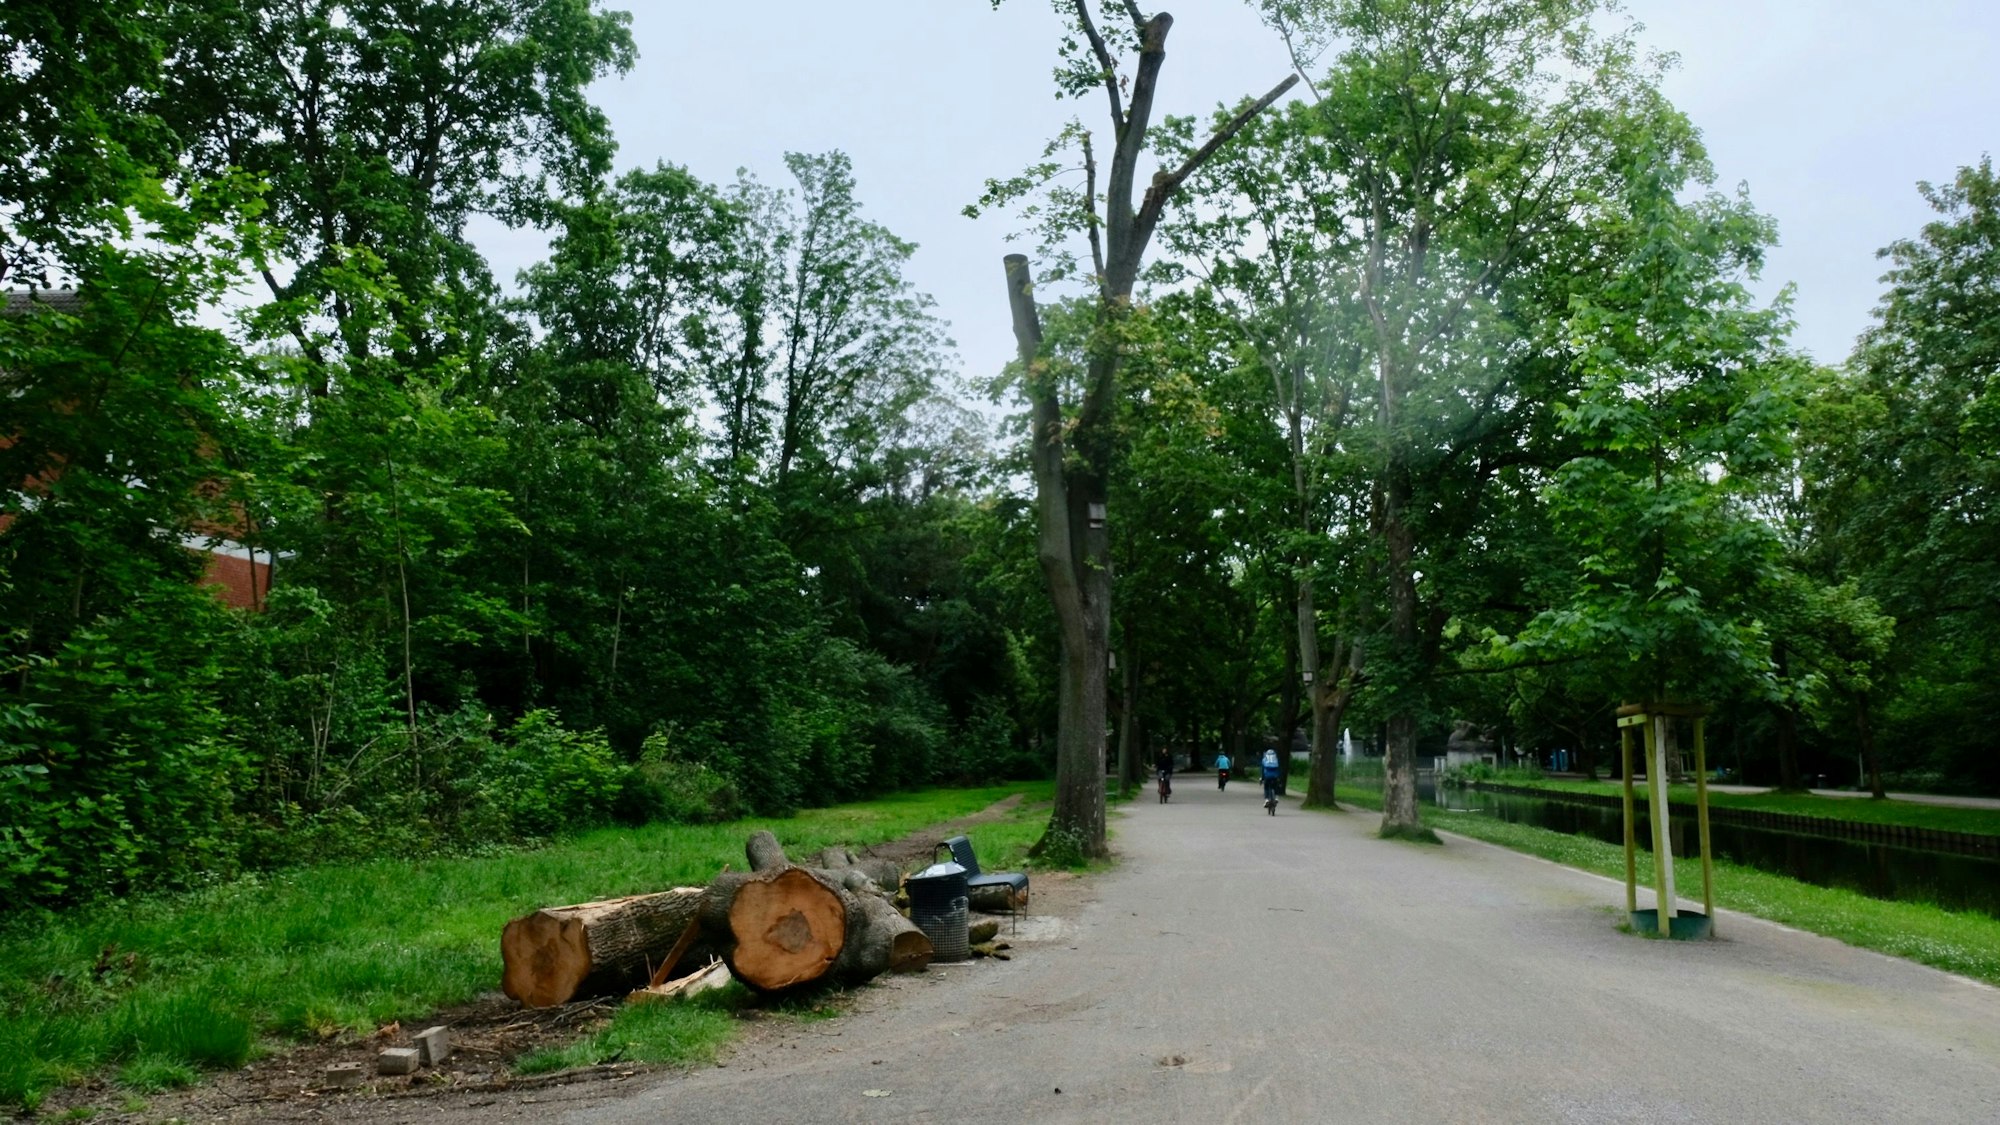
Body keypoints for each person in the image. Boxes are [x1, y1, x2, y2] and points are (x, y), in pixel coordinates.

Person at [1261, 746, 1281, 812]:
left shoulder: (1264, 759)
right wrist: (1279, 777)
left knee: (1266, 787)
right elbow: (1278, 769)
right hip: (1275, 776)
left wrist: (1262, 778)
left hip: (1267, 776)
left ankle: (1266, 799)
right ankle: (1276, 797)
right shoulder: (1276, 759)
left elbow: (1262, 770)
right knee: (1276, 786)